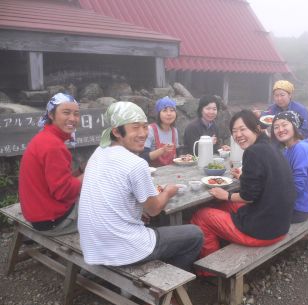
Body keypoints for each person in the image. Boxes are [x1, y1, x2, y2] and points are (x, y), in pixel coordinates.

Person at [78, 101, 203, 271]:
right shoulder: (135, 164)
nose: (143, 133)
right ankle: (169, 284)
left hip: (93, 247)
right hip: (124, 249)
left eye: (145, 127)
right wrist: (167, 192)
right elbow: (153, 209)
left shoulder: (99, 153)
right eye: (135, 127)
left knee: (152, 223)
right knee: (195, 234)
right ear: (116, 131)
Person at [191, 110, 295, 267]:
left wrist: (226, 195)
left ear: (256, 128)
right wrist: (241, 180)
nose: (238, 134)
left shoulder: (253, 152)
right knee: (222, 206)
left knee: (201, 215)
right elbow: (264, 179)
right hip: (280, 224)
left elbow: (249, 196)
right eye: (234, 131)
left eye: (242, 129)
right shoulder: (271, 146)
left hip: (264, 232)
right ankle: (222, 244)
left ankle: (211, 269)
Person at [18, 93, 83, 236]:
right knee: (104, 205)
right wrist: (87, 175)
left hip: (37, 214)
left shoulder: (45, 138)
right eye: (66, 113)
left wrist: (79, 171)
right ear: (52, 115)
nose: (72, 118)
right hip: (52, 221)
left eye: (76, 114)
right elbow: (63, 192)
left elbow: (54, 182)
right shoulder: (54, 146)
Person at [271, 111, 308, 223]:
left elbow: (297, 186)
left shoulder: (300, 149)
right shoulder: (288, 149)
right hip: (293, 204)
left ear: (294, 126)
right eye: (276, 127)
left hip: (298, 209)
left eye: (284, 125)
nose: (280, 129)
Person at [143, 97, 178, 166]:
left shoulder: (174, 131)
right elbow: (143, 156)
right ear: (158, 114)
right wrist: (162, 150)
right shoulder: (150, 129)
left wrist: (183, 157)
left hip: (172, 172)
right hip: (154, 172)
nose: (169, 114)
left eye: (172, 110)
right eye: (164, 110)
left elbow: (176, 155)